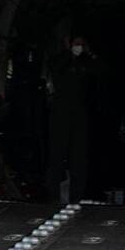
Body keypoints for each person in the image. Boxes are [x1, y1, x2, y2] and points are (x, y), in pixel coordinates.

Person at [45, 34, 102, 203]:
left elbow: (101, 70)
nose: (79, 47)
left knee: (78, 158)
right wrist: (68, 54)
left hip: (79, 114)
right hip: (60, 113)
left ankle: (76, 197)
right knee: (56, 156)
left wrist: (90, 54)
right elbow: (55, 68)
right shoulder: (60, 59)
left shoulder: (86, 62)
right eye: (76, 43)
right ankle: (54, 198)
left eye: (81, 44)